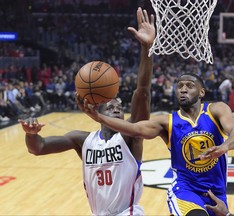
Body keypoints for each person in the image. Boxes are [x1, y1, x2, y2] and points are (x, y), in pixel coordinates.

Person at [19, 7, 155, 216]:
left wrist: (146, 49)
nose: (117, 107)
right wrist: (31, 135)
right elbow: (38, 148)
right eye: (111, 105)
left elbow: (143, 93)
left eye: (120, 105)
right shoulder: (82, 141)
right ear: (96, 110)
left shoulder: (130, 137)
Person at [81, 73, 234, 216]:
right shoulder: (167, 122)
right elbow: (135, 129)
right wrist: (99, 118)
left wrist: (225, 146)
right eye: (179, 86)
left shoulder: (216, 110)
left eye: (189, 85)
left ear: (202, 91)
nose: (183, 89)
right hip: (185, 191)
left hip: (217, 191)